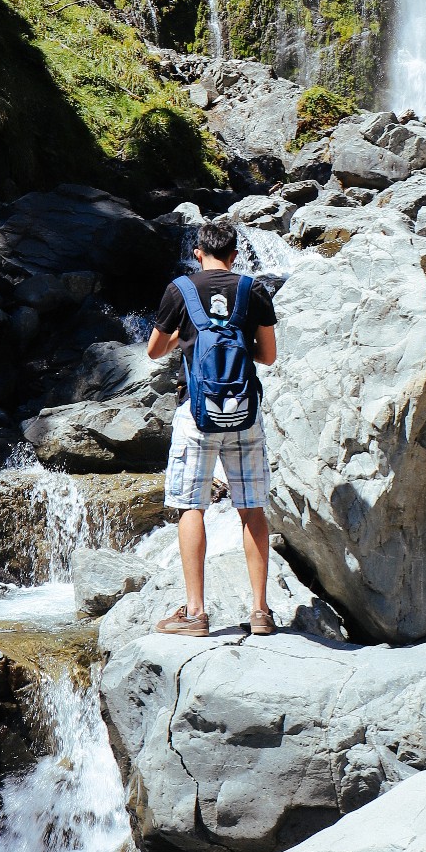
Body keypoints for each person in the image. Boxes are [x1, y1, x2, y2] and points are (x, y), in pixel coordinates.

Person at [146, 218, 278, 636]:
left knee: (192, 506)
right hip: (244, 411)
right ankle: (260, 612)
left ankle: (197, 614)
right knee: (251, 506)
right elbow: (268, 355)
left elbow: (153, 351)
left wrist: (185, 338)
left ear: (198, 253)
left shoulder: (180, 290)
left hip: (197, 413)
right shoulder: (253, 289)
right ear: (235, 255)